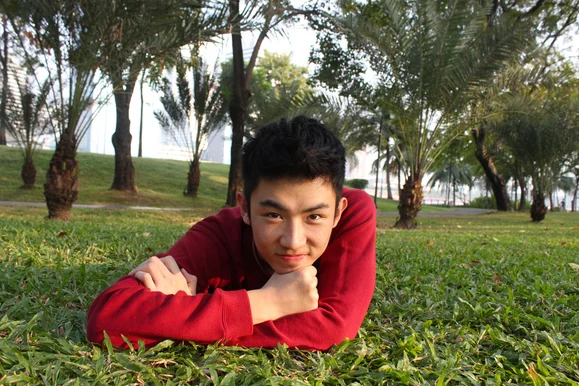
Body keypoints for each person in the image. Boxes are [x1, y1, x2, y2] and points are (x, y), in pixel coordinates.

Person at [87, 116, 376, 351]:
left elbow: (335, 329)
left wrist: (188, 314)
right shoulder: (218, 236)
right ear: (245, 208)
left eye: (314, 217)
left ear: (338, 212)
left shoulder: (355, 213)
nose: (293, 241)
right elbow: (107, 318)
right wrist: (268, 302)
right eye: (274, 215)